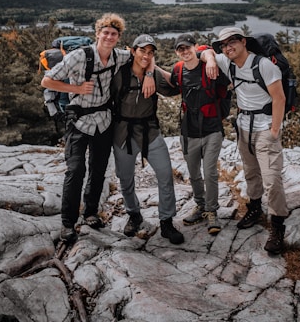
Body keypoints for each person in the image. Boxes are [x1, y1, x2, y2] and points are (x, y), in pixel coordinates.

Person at [41, 13, 155, 242]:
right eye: (106, 32)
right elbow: (47, 81)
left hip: (103, 120)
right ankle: (67, 223)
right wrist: (76, 89)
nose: (109, 37)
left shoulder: (119, 56)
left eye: (114, 34)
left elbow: (145, 57)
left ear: (118, 36)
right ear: (98, 33)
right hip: (78, 121)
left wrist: (150, 74)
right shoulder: (78, 57)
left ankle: (91, 212)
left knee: (98, 169)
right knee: (75, 170)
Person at [202, 27, 288, 254]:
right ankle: (255, 208)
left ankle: (278, 227)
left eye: (232, 42)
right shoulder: (227, 62)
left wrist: (274, 131)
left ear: (244, 42)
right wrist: (211, 58)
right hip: (243, 127)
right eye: (223, 45)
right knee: (250, 172)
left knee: (272, 179)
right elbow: (201, 52)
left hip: (265, 128)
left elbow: (279, 99)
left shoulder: (264, 65)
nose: (227, 48)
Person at [110, 34, 184, 245]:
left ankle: (167, 222)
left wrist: (154, 71)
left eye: (150, 52)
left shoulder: (154, 75)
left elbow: (175, 89)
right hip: (123, 132)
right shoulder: (119, 75)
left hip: (149, 130)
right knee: (125, 178)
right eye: (142, 50)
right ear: (133, 51)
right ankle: (134, 214)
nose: (146, 55)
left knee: (164, 174)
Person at [170, 33, 230, 235]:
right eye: (180, 49)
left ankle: (212, 211)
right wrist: (151, 71)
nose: (185, 52)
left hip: (212, 128)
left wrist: (210, 57)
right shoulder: (177, 71)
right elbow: (169, 84)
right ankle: (200, 205)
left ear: (195, 47)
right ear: (177, 53)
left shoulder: (210, 67)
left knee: (210, 171)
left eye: (187, 47)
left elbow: (226, 84)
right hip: (189, 131)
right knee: (194, 173)